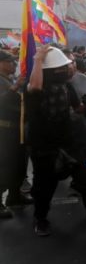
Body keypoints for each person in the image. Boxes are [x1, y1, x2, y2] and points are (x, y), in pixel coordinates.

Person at [26, 46, 86, 238]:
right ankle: (40, 219)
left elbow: (78, 107)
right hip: (45, 147)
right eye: (62, 67)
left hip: (72, 143)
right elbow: (36, 88)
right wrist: (38, 59)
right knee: (44, 187)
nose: (68, 69)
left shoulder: (67, 86)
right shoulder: (33, 86)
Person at [0, 50, 32, 218]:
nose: (14, 64)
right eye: (10, 61)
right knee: (4, 166)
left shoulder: (11, 79)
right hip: (4, 130)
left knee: (19, 165)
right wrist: (16, 87)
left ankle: (14, 196)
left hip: (17, 128)